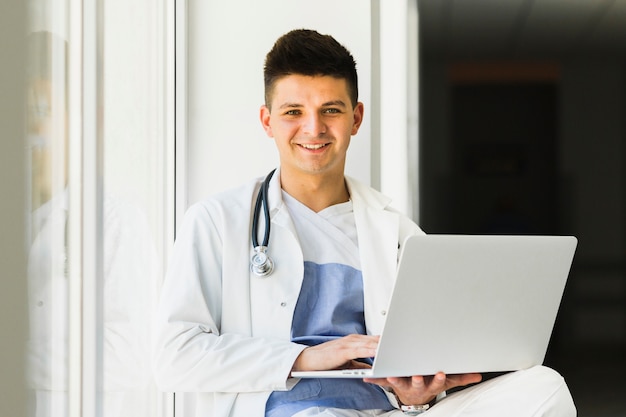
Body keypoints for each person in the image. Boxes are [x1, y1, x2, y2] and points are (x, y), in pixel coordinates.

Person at [152, 29, 576, 417]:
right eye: (293, 111)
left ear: (356, 118)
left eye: (330, 110)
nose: (313, 128)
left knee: (543, 387)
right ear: (268, 121)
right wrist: (303, 357)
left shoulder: (396, 231)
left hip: (385, 413)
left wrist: (418, 395)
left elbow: (423, 362)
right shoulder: (216, 222)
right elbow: (175, 357)